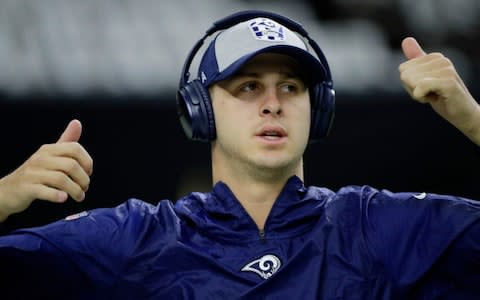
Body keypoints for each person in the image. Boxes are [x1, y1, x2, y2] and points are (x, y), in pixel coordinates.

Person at [0, 10, 479, 299]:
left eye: (290, 87)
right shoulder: (136, 238)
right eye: (248, 86)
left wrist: (472, 118)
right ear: (200, 110)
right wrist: (3, 195)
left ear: (319, 110)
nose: (272, 102)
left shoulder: (379, 226)